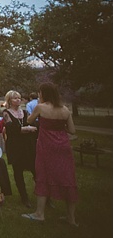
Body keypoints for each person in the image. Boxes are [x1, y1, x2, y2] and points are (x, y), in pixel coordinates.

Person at [24, 82, 78, 225]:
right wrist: (60, 127)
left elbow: (29, 120)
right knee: (67, 177)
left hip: (46, 146)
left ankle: (39, 213)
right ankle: (71, 218)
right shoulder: (65, 110)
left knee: (43, 175)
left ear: (43, 94)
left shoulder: (40, 107)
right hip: (63, 147)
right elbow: (72, 131)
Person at [1, 90, 37, 208]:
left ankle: (44, 196)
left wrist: (27, 129)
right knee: (18, 171)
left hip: (27, 145)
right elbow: (11, 129)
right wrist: (26, 129)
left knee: (35, 170)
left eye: (19, 98)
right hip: (15, 145)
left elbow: (34, 126)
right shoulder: (6, 113)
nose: (18, 100)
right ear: (9, 100)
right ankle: (24, 197)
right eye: (15, 98)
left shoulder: (25, 112)